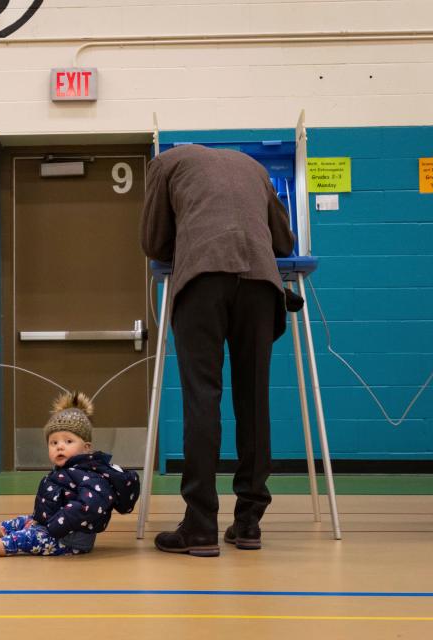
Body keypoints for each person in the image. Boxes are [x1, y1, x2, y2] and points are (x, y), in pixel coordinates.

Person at [140, 144, 295, 557]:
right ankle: (249, 524)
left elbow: (154, 242)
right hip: (261, 284)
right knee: (253, 401)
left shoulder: (165, 163)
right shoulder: (254, 166)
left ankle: (201, 526)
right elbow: (285, 240)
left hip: (203, 279)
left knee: (202, 398)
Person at [0, 392, 140, 558]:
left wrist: (52, 526)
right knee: (23, 521)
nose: (60, 446)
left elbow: (87, 507)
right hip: (54, 527)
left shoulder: (91, 474)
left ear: (86, 448)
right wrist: (41, 520)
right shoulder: (65, 471)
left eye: (68, 441)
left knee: (24, 539)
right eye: (53, 442)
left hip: (70, 540)